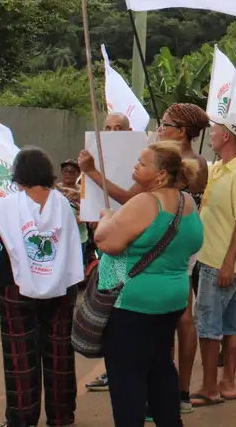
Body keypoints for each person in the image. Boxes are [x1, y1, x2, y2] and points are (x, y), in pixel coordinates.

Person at [80, 103, 209, 411]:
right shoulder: (189, 193)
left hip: (135, 300)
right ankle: (180, 395)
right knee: (163, 359)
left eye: (164, 124)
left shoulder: (147, 201)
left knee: (129, 375)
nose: (158, 128)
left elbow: (107, 239)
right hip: (172, 284)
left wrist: (106, 209)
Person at [0, 147, 85, 427]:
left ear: (18, 175)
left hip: (15, 286)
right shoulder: (63, 205)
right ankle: (61, 415)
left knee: (20, 354)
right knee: (59, 352)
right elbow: (72, 245)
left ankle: (21, 417)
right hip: (60, 287)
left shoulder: (5, 206)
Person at [190, 119, 236, 407]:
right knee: (231, 324)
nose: (212, 136)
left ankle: (210, 387)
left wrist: (228, 263)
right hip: (219, 260)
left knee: (208, 326)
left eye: (216, 131)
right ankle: (227, 383)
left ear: (228, 136)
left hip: (219, 261)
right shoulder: (218, 169)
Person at [82, 112, 133, 394]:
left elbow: (129, 197)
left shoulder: (139, 160)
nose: (113, 132)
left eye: (119, 128)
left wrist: (92, 172)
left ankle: (126, 374)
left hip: (130, 248)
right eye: (108, 128)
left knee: (125, 309)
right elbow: (89, 198)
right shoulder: (93, 155)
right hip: (108, 248)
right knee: (109, 311)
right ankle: (112, 371)